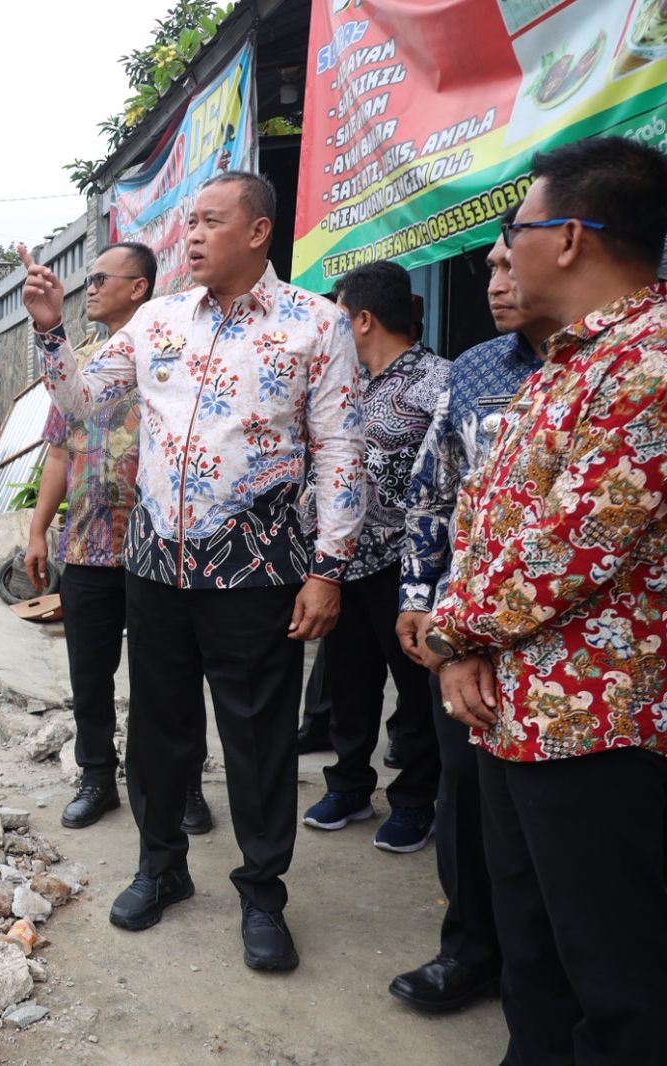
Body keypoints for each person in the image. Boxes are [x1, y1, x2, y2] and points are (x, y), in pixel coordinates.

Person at [28, 170, 364, 972]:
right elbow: (82, 406)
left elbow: (342, 450)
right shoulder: (158, 321)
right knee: (159, 729)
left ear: (257, 232)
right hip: (154, 566)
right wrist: (50, 332)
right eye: (191, 223)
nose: (194, 237)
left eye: (211, 222)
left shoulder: (314, 325)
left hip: (257, 568)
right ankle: (161, 867)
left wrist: (329, 569)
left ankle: (261, 894)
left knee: (256, 738)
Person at [427, 136, 667, 1064]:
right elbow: (483, 517)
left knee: (614, 981)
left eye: (515, 231)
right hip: (515, 711)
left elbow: (572, 545)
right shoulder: (566, 364)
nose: (504, 252)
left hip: (596, 727)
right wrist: (473, 646)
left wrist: (451, 632)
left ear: (569, 238)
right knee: (534, 962)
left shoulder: (645, 364)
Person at [387, 210, 556, 1014]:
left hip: (568, 651)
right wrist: (421, 601)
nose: (494, 284)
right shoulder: (479, 368)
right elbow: (433, 495)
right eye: (486, 268)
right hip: (463, 642)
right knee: (467, 802)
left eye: (507, 265)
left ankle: (558, 984)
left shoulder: (620, 371)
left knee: (566, 834)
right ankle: (471, 952)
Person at [21, 242, 211, 834]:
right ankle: (97, 777)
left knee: (172, 674)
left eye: (102, 278)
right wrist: (35, 531)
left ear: (139, 287)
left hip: (159, 547)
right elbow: (58, 451)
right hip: (87, 546)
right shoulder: (79, 369)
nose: (91, 288)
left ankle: (184, 785)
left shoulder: (174, 363)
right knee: (90, 673)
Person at [301, 260, 447, 851]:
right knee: (349, 683)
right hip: (343, 565)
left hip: (405, 568)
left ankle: (415, 798)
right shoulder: (346, 384)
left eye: (336, 315)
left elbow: (447, 484)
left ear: (361, 319)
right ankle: (350, 786)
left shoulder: (439, 382)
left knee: (414, 692)